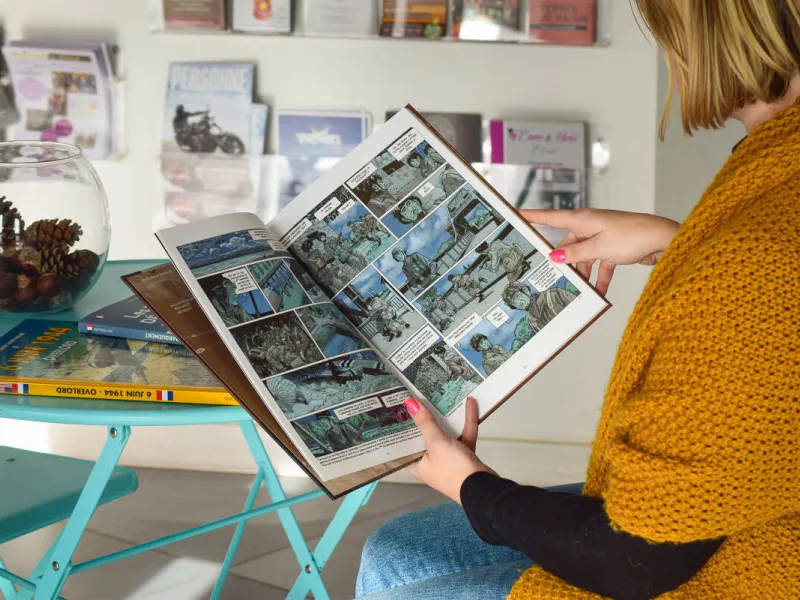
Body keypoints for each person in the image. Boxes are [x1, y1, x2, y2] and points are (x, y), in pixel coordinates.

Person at [356, 2, 800, 599]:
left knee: (405, 583)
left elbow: (634, 558)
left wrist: (472, 487)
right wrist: (682, 245)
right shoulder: (776, 187)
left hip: (743, 563)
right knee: (397, 550)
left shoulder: (759, 257)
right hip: (738, 512)